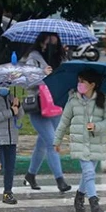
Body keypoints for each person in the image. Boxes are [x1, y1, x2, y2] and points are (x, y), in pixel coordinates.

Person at [53, 69, 106, 212]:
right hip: (79, 143)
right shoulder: (73, 101)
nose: (79, 84)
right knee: (89, 173)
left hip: (96, 142)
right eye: (79, 81)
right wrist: (57, 140)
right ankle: (95, 205)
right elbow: (64, 122)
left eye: (83, 82)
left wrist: (96, 126)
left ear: (92, 84)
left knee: (88, 174)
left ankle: (79, 196)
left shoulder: (104, 101)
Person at [22, 32, 72, 193]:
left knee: (42, 144)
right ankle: (60, 180)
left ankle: (30, 175)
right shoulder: (34, 58)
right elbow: (28, 82)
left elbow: (68, 79)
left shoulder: (61, 59)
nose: (51, 45)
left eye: (55, 42)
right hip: (39, 106)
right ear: (42, 42)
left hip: (56, 105)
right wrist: (43, 74)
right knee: (52, 142)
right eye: (49, 42)